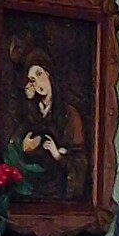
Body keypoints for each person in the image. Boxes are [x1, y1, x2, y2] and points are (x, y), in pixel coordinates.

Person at [11, 50, 87, 200]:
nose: (37, 83)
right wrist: (23, 148)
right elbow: (13, 146)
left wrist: (57, 155)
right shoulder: (31, 112)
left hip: (58, 188)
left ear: (49, 74)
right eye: (32, 80)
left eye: (39, 74)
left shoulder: (69, 114)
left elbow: (80, 161)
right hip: (33, 187)